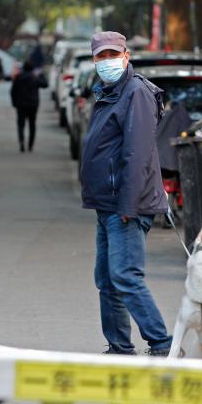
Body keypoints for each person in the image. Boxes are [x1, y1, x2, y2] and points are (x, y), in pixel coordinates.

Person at [80, 31, 173, 356]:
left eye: (112, 55)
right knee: (106, 279)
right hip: (107, 204)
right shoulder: (108, 92)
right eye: (101, 57)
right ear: (94, 61)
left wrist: (128, 205)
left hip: (126, 205)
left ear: (126, 55)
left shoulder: (136, 92)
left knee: (125, 276)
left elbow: (138, 153)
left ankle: (162, 344)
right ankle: (119, 346)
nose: (107, 61)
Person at [10, 61, 48, 152]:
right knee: (32, 124)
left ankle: (22, 142)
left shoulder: (19, 77)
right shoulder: (34, 77)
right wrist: (41, 75)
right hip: (33, 104)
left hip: (21, 104)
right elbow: (45, 84)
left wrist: (14, 102)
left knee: (21, 124)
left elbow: (13, 91)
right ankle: (30, 145)